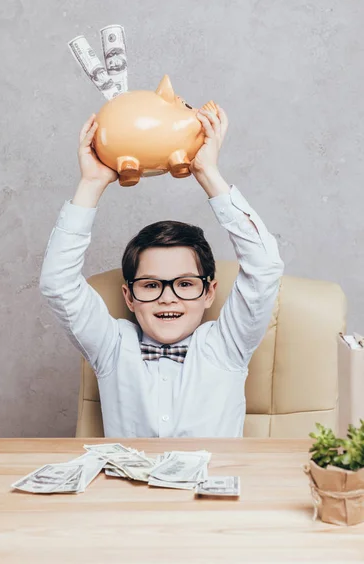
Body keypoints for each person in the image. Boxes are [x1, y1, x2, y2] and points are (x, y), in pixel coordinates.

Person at [39, 106, 284, 438]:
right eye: (151, 285)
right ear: (129, 297)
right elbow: (57, 283)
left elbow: (265, 266)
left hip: (211, 487)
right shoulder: (112, 346)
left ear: (209, 292)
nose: (167, 298)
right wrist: (92, 184)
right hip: (131, 490)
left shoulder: (228, 344)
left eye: (185, 284)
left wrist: (207, 171)